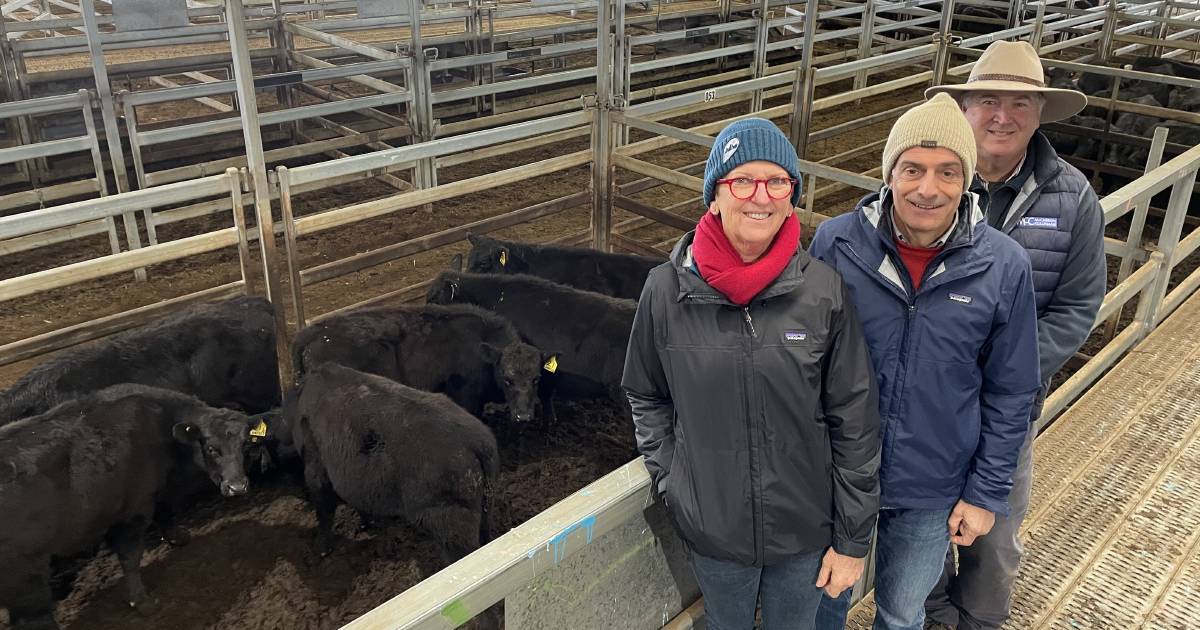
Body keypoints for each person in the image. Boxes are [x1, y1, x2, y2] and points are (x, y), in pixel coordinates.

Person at [622, 118, 881, 630]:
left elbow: (855, 420)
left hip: (805, 529)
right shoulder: (665, 291)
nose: (759, 196)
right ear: (714, 196)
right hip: (714, 530)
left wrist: (852, 539)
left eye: (777, 181)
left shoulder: (823, 291)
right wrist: (676, 482)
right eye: (742, 180)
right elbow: (645, 392)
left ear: (791, 197)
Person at [810, 93, 1042, 630]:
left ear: (967, 181)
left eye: (947, 172)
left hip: (933, 482)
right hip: (837, 473)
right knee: (823, 604)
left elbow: (1011, 392)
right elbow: (805, 355)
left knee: (902, 610)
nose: (928, 188)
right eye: (912, 168)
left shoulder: (1003, 266)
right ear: (890, 173)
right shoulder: (837, 244)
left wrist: (985, 492)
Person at [922, 40, 1107, 630]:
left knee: (994, 536)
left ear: (1039, 113)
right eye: (988, 101)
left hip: (1008, 407)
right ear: (965, 108)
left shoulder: (1072, 196)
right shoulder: (929, 182)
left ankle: (979, 619)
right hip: (926, 401)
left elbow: (1078, 305)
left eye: (1021, 103)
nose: (1003, 116)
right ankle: (927, 614)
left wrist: (1006, 372)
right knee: (916, 521)